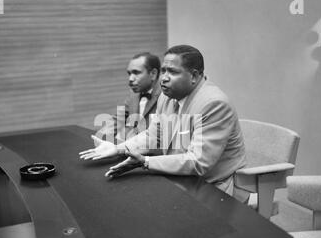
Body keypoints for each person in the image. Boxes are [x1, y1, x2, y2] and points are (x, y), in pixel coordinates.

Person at [80, 45, 246, 195]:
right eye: (164, 70)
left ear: (194, 76)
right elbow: (153, 135)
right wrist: (118, 149)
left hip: (216, 187)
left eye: (172, 72)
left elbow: (198, 162)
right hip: (181, 179)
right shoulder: (167, 98)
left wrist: (145, 162)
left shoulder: (214, 104)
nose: (163, 78)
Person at [97, 52, 161, 143]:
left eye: (136, 73)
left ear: (153, 74)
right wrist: (101, 138)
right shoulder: (134, 94)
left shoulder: (167, 95)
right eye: (129, 73)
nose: (130, 79)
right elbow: (118, 118)